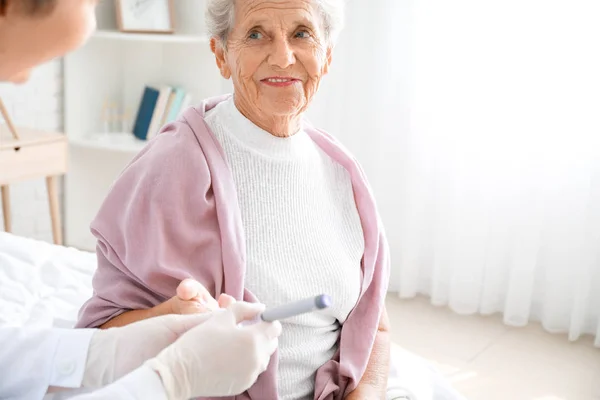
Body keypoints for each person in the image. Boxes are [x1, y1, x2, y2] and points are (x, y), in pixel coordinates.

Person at [75, 0, 395, 399]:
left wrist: (366, 394)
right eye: (256, 34)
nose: (282, 57)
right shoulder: (172, 165)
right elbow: (97, 339)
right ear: (221, 54)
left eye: (301, 33)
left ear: (326, 55)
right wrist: (170, 319)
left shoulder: (344, 174)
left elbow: (374, 326)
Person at [0, 1, 282, 399]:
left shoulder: (337, 171)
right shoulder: (177, 153)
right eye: (11, 63)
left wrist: (108, 354)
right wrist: (169, 379)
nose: (23, 80)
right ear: (220, 54)